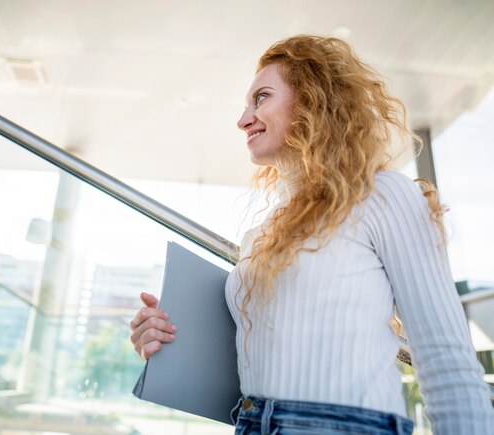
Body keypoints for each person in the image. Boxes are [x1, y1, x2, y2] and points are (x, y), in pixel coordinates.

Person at [129, 35, 494, 434]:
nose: (243, 119)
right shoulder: (262, 233)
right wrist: (166, 337)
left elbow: (446, 360)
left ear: (311, 100)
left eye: (261, 98)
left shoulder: (383, 194)